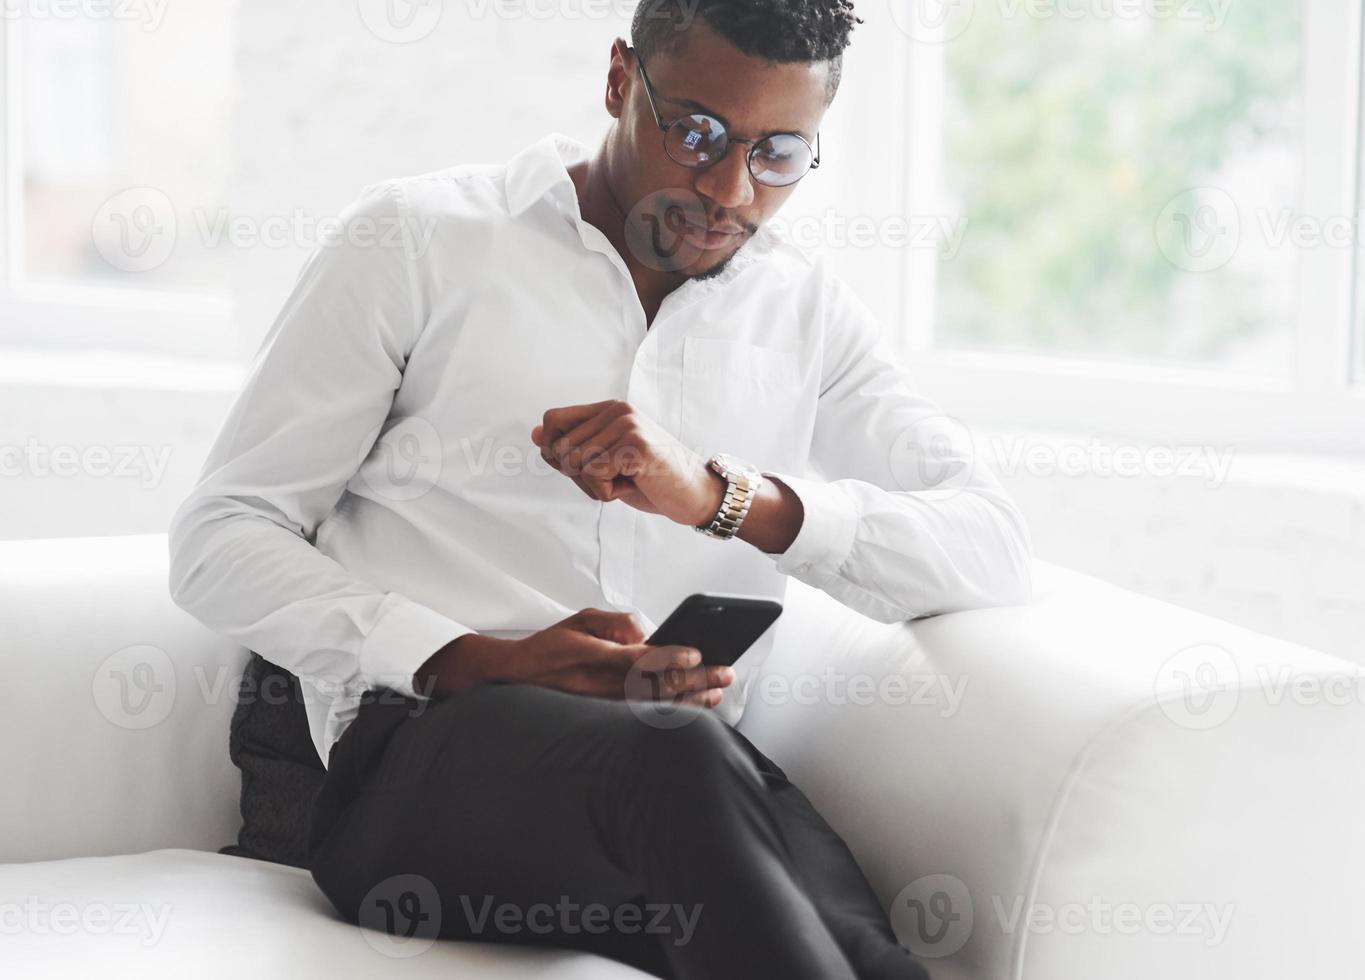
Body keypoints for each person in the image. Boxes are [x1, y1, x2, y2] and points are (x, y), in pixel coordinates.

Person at [168, 1, 1032, 976]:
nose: (729, 189)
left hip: (673, 785)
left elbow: (992, 543)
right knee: (679, 762)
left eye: (779, 154)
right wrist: (468, 656)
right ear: (621, 80)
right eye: (697, 133)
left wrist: (721, 497)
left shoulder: (805, 312)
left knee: (873, 954)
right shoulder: (419, 241)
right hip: (419, 763)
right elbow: (220, 535)